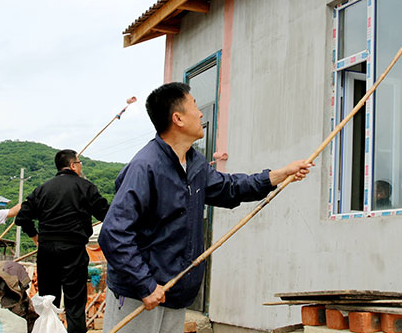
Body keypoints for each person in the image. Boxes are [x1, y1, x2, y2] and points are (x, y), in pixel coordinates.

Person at [98, 82, 312, 333]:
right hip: (140, 295)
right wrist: (145, 284)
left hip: (173, 292)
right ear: (177, 118)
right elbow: (113, 233)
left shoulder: (194, 163)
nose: (201, 114)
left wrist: (278, 175)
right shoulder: (144, 168)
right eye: (195, 107)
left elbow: (230, 187)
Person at [15, 149, 110, 333]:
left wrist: (36, 237)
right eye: (79, 162)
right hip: (73, 248)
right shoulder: (85, 187)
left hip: (47, 249)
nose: (81, 166)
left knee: (48, 302)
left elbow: (22, 217)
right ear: (73, 165)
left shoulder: (43, 188)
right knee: (75, 303)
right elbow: (107, 214)